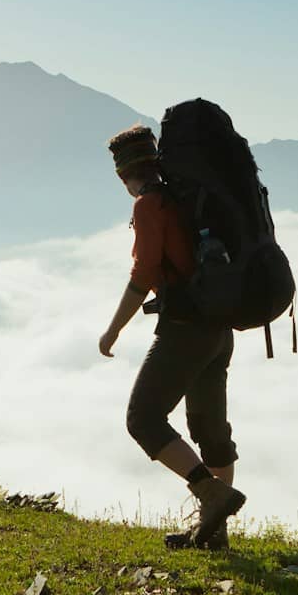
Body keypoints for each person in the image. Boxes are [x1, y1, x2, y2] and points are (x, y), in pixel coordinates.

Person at [98, 124, 245, 550]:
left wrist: (113, 329)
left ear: (124, 172)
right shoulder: (187, 197)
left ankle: (211, 494)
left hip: (185, 330)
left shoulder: (149, 205)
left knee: (141, 418)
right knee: (211, 429)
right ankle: (214, 535)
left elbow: (143, 273)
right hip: (219, 327)